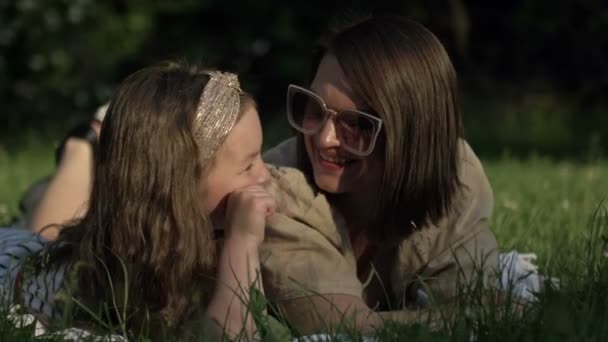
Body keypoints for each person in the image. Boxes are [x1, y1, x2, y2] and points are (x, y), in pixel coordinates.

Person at [261, 15, 500, 334]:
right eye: (314, 107)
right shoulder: (276, 189)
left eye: (357, 124)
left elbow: (469, 295)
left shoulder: (456, 174)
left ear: (414, 133)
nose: (324, 139)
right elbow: (337, 326)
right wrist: (467, 316)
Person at [1, 62, 275, 340]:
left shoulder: (209, 234)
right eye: (248, 166)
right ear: (181, 190)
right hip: (12, 260)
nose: (266, 176)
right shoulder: (124, 275)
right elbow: (234, 336)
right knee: (46, 229)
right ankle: (83, 145)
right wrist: (243, 243)